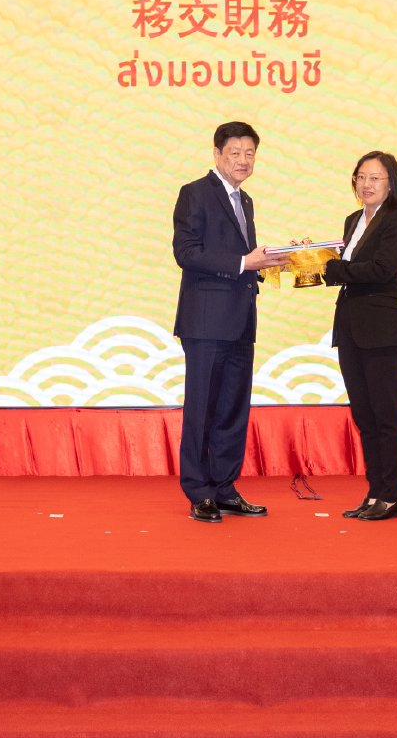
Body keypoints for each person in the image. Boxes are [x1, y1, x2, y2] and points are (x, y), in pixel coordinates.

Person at [172, 122, 284, 523]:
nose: (243, 160)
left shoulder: (245, 200)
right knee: (202, 409)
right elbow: (186, 252)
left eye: (250, 153)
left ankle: (224, 488)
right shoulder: (195, 193)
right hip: (205, 323)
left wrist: (266, 264)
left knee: (233, 409)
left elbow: (243, 262)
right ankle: (198, 492)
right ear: (217, 154)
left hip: (240, 321)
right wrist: (242, 262)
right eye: (235, 152)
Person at [323, 151, 397, 521]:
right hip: (351, 328)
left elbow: (381, 269)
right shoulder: (353, 219)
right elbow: (348, 267)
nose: (366, 184)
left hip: (384, 329)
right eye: (361, 177)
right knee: (364, 414)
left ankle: (392, 496)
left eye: (375, 178)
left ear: (391, 183)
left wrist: (334, 269)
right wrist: (314, 262)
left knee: (386, 414)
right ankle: (375, 492)